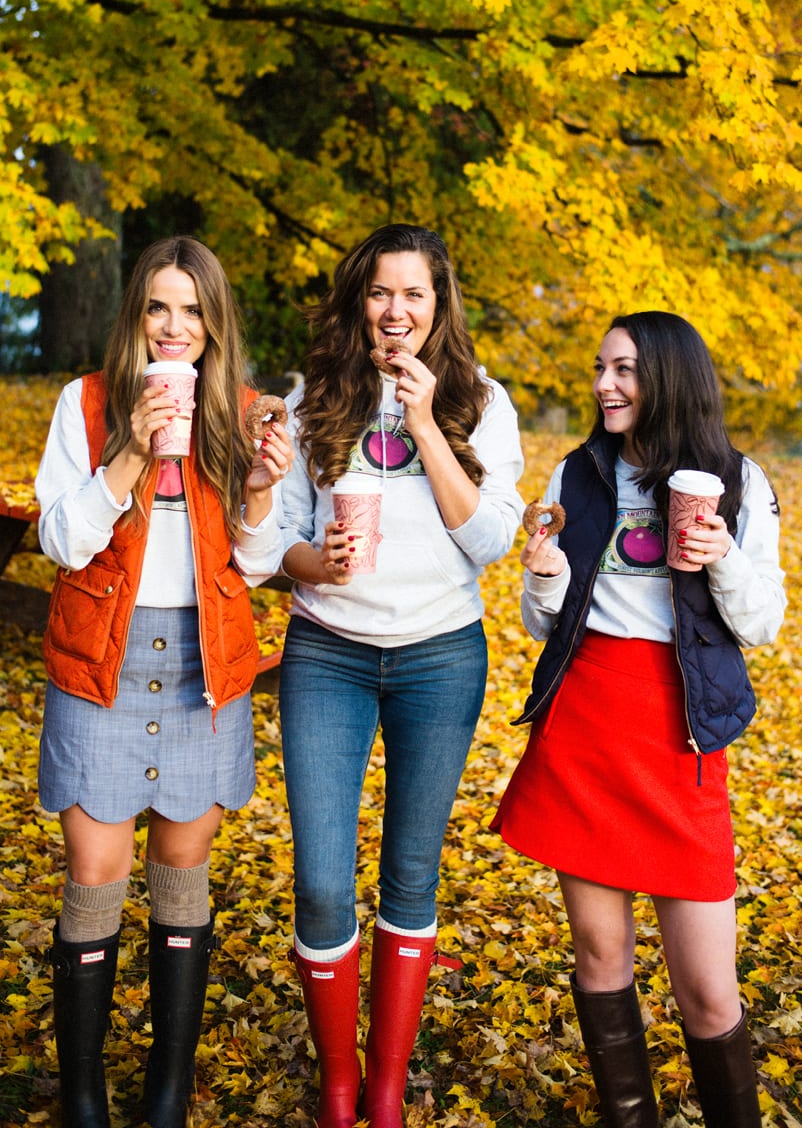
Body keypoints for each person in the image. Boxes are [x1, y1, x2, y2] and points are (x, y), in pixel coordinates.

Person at [492, 311, 787, 1128]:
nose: (603, 385)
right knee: (600, 954)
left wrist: (722, 554)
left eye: (623, 369)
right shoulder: (578, 476)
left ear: (668, 378)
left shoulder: (739, 481)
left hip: (679, 737)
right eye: (599, 368)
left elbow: (764, 621)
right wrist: (544, 576)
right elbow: (542, 622)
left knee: (706, 987)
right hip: (585, 724)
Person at [35, 236, 293, 1128]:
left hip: (203, 667)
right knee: (96, 877)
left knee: (183, 875)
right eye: (158, 308)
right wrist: (133, 455)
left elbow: (257, 565)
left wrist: (259, 490)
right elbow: (60, 543)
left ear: (215, 323)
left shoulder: (249, 412)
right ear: (135, 317)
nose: (174, 327)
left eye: (192, 310)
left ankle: (168, 1097)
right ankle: (83, 1101)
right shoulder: (89, 402)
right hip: (102, 662)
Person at [277, 223, 525, 1128]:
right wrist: (320, 563)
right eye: (380, 293)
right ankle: (337, 1083)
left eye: (413, 293)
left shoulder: (481, 402)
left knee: (411, 877)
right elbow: (276, 545)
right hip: (328, 654)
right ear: (359, 302)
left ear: (438, 304)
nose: (396, 310)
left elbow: (491, 540)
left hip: (439, 656)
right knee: (321, 882)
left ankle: (385, 1087)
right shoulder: (318, 397)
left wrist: (423, 420)